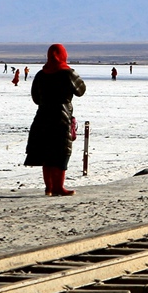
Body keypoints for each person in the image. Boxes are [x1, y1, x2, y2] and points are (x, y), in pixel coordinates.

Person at [24, 44, 86, 196]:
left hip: (42, 117)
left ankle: (49, 188)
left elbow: (36, 98)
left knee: (47, 153)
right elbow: (81, 90)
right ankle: (58, 187)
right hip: (61, 118)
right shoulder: (67, 73)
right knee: (61, 153)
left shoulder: (41, 74)